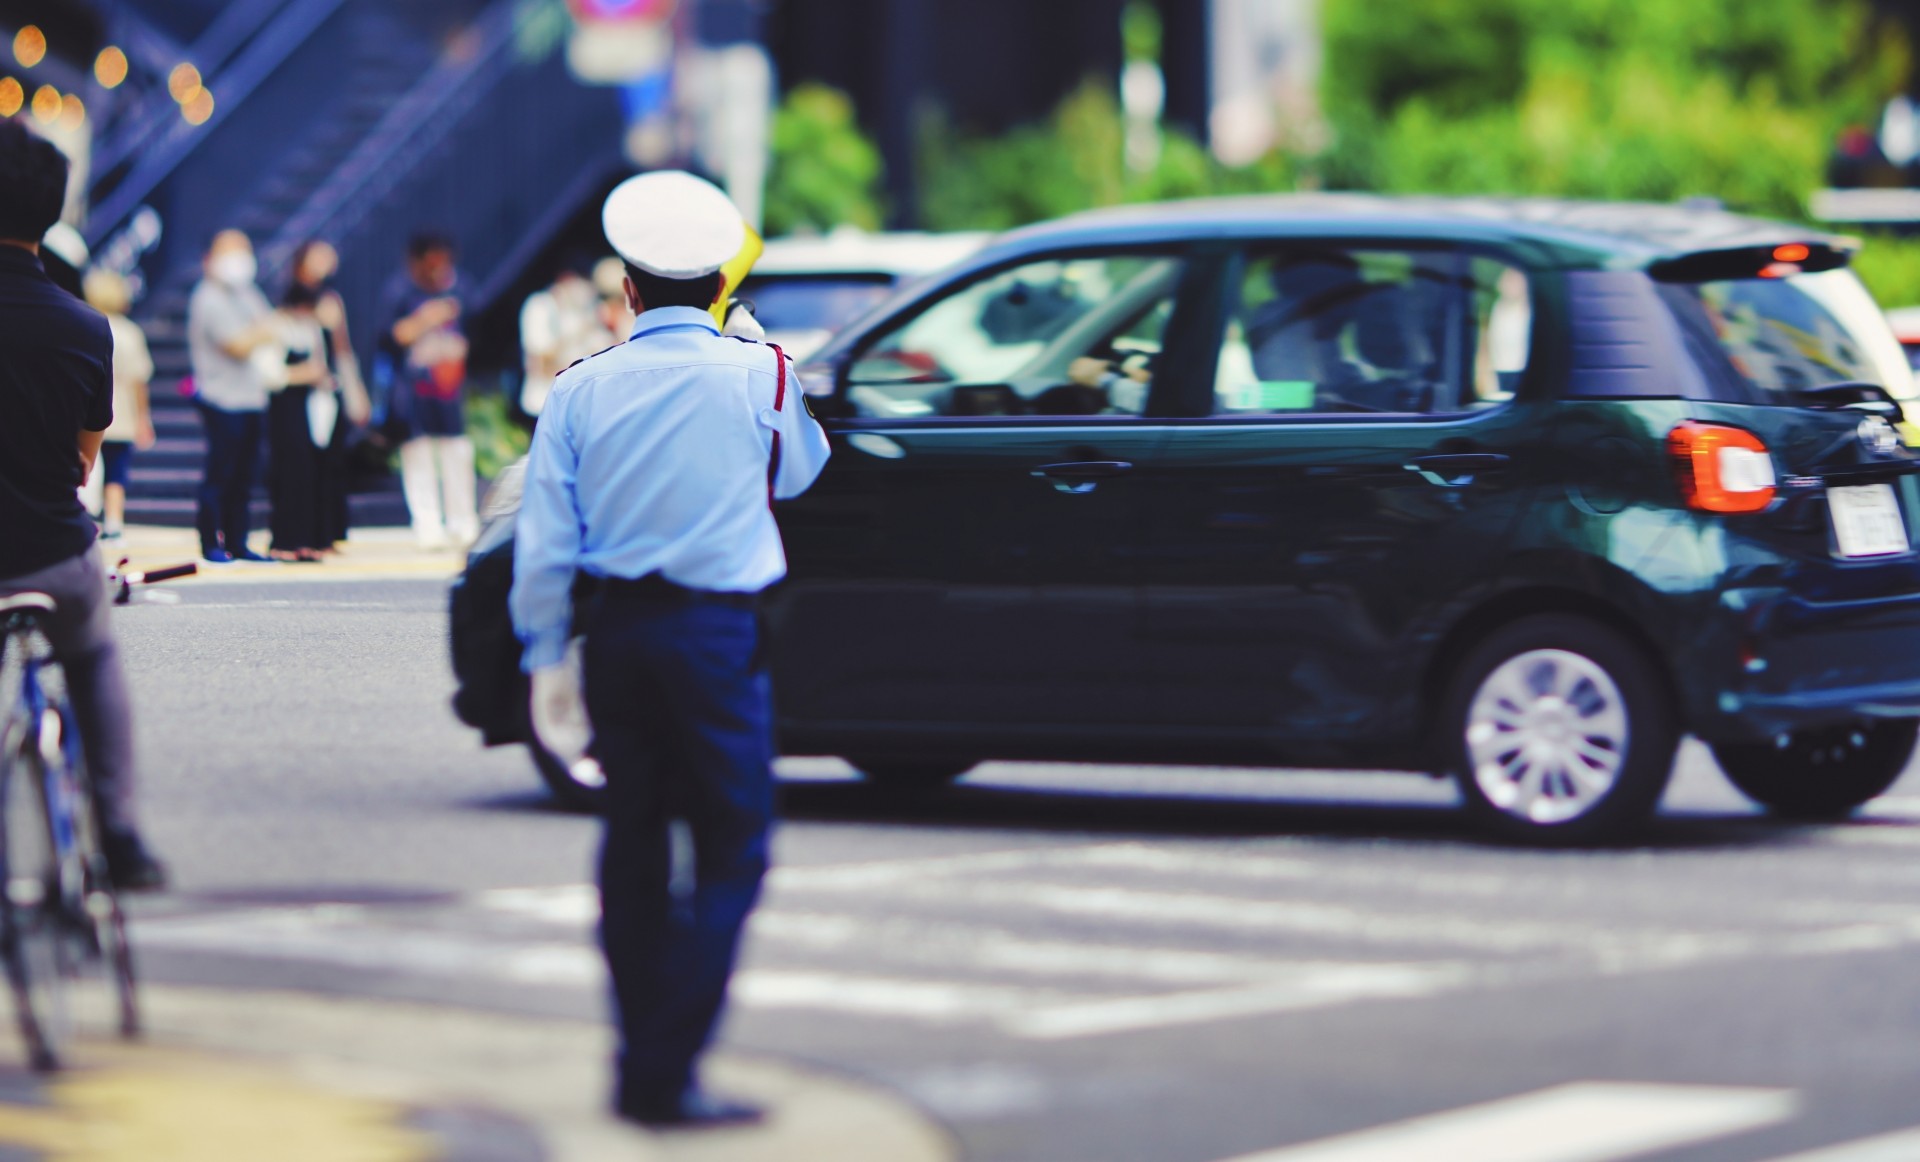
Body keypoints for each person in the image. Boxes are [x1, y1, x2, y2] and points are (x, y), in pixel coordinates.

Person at [510, 171, 830, 1129]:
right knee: (734, 845)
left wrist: (543, 662)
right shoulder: (760, 373)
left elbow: (544, 546)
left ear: (630, 292)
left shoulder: (578, 390)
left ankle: (638, 1056)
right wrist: (757, 352)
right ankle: (666, 1065)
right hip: (717, 635)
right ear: (717, 286)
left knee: (634, 846)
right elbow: (805, 473)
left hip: (617, 634)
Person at [0, 121, 166, 890]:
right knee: (94, 660)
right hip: (53, 553)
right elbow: (81, 462)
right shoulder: (85, 327)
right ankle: (121, 835)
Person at [186, 230, 278, 564]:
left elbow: (272, 327)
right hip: (221, 398)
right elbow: (237, 345)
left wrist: (260, 333)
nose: (240, 258)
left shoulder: (247, 293)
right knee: (220, 474)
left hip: (252, 397)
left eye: (244, 250)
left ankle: (238, 541)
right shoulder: (207, 296)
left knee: (244, 477)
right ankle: (211, 541)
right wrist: (260, 333)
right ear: (210, 258)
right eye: (231, 251)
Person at [383, 232, 477, 549]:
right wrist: (425, 319)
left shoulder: (460, 287)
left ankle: (462, 521)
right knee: (418, 456)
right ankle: (427, 523)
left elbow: (474, 332)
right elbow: (392, 336)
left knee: (457, 454)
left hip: (449, 386)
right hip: (415, 388)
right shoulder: (401, 292)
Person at [288, 239, 370, 549]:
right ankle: (306, 533)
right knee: (305, 462)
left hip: (329, 386)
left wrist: (354, 389)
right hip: (299, 389)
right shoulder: (290, 296)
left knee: (331, 462)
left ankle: (328, 531)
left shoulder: (331, 299)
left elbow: (342, 347)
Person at [262, 283, 337, 561]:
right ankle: (285, 539)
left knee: (310, 473)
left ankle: (309, 539)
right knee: (289, 473)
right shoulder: (277, 327)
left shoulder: (312, 329)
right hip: (285, 408)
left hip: (310, 407)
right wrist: (305, 373)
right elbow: (271, 374)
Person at [81, 268, 154, 541]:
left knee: (86, 466)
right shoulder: (130, 333)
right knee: (116, 471)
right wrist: (143, 418)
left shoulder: (85, 325)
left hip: (88, 413)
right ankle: (114, 521)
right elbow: (139, 380)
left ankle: (85, 516)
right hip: (121, 414)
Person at [519, 255, 618, 419]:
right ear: (566, 278)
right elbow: (542, 362)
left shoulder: (588, 309)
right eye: (584, 281)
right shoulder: (540, 306)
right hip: (544, 405)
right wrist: (578, 333)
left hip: (578, 407)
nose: (588, 290)